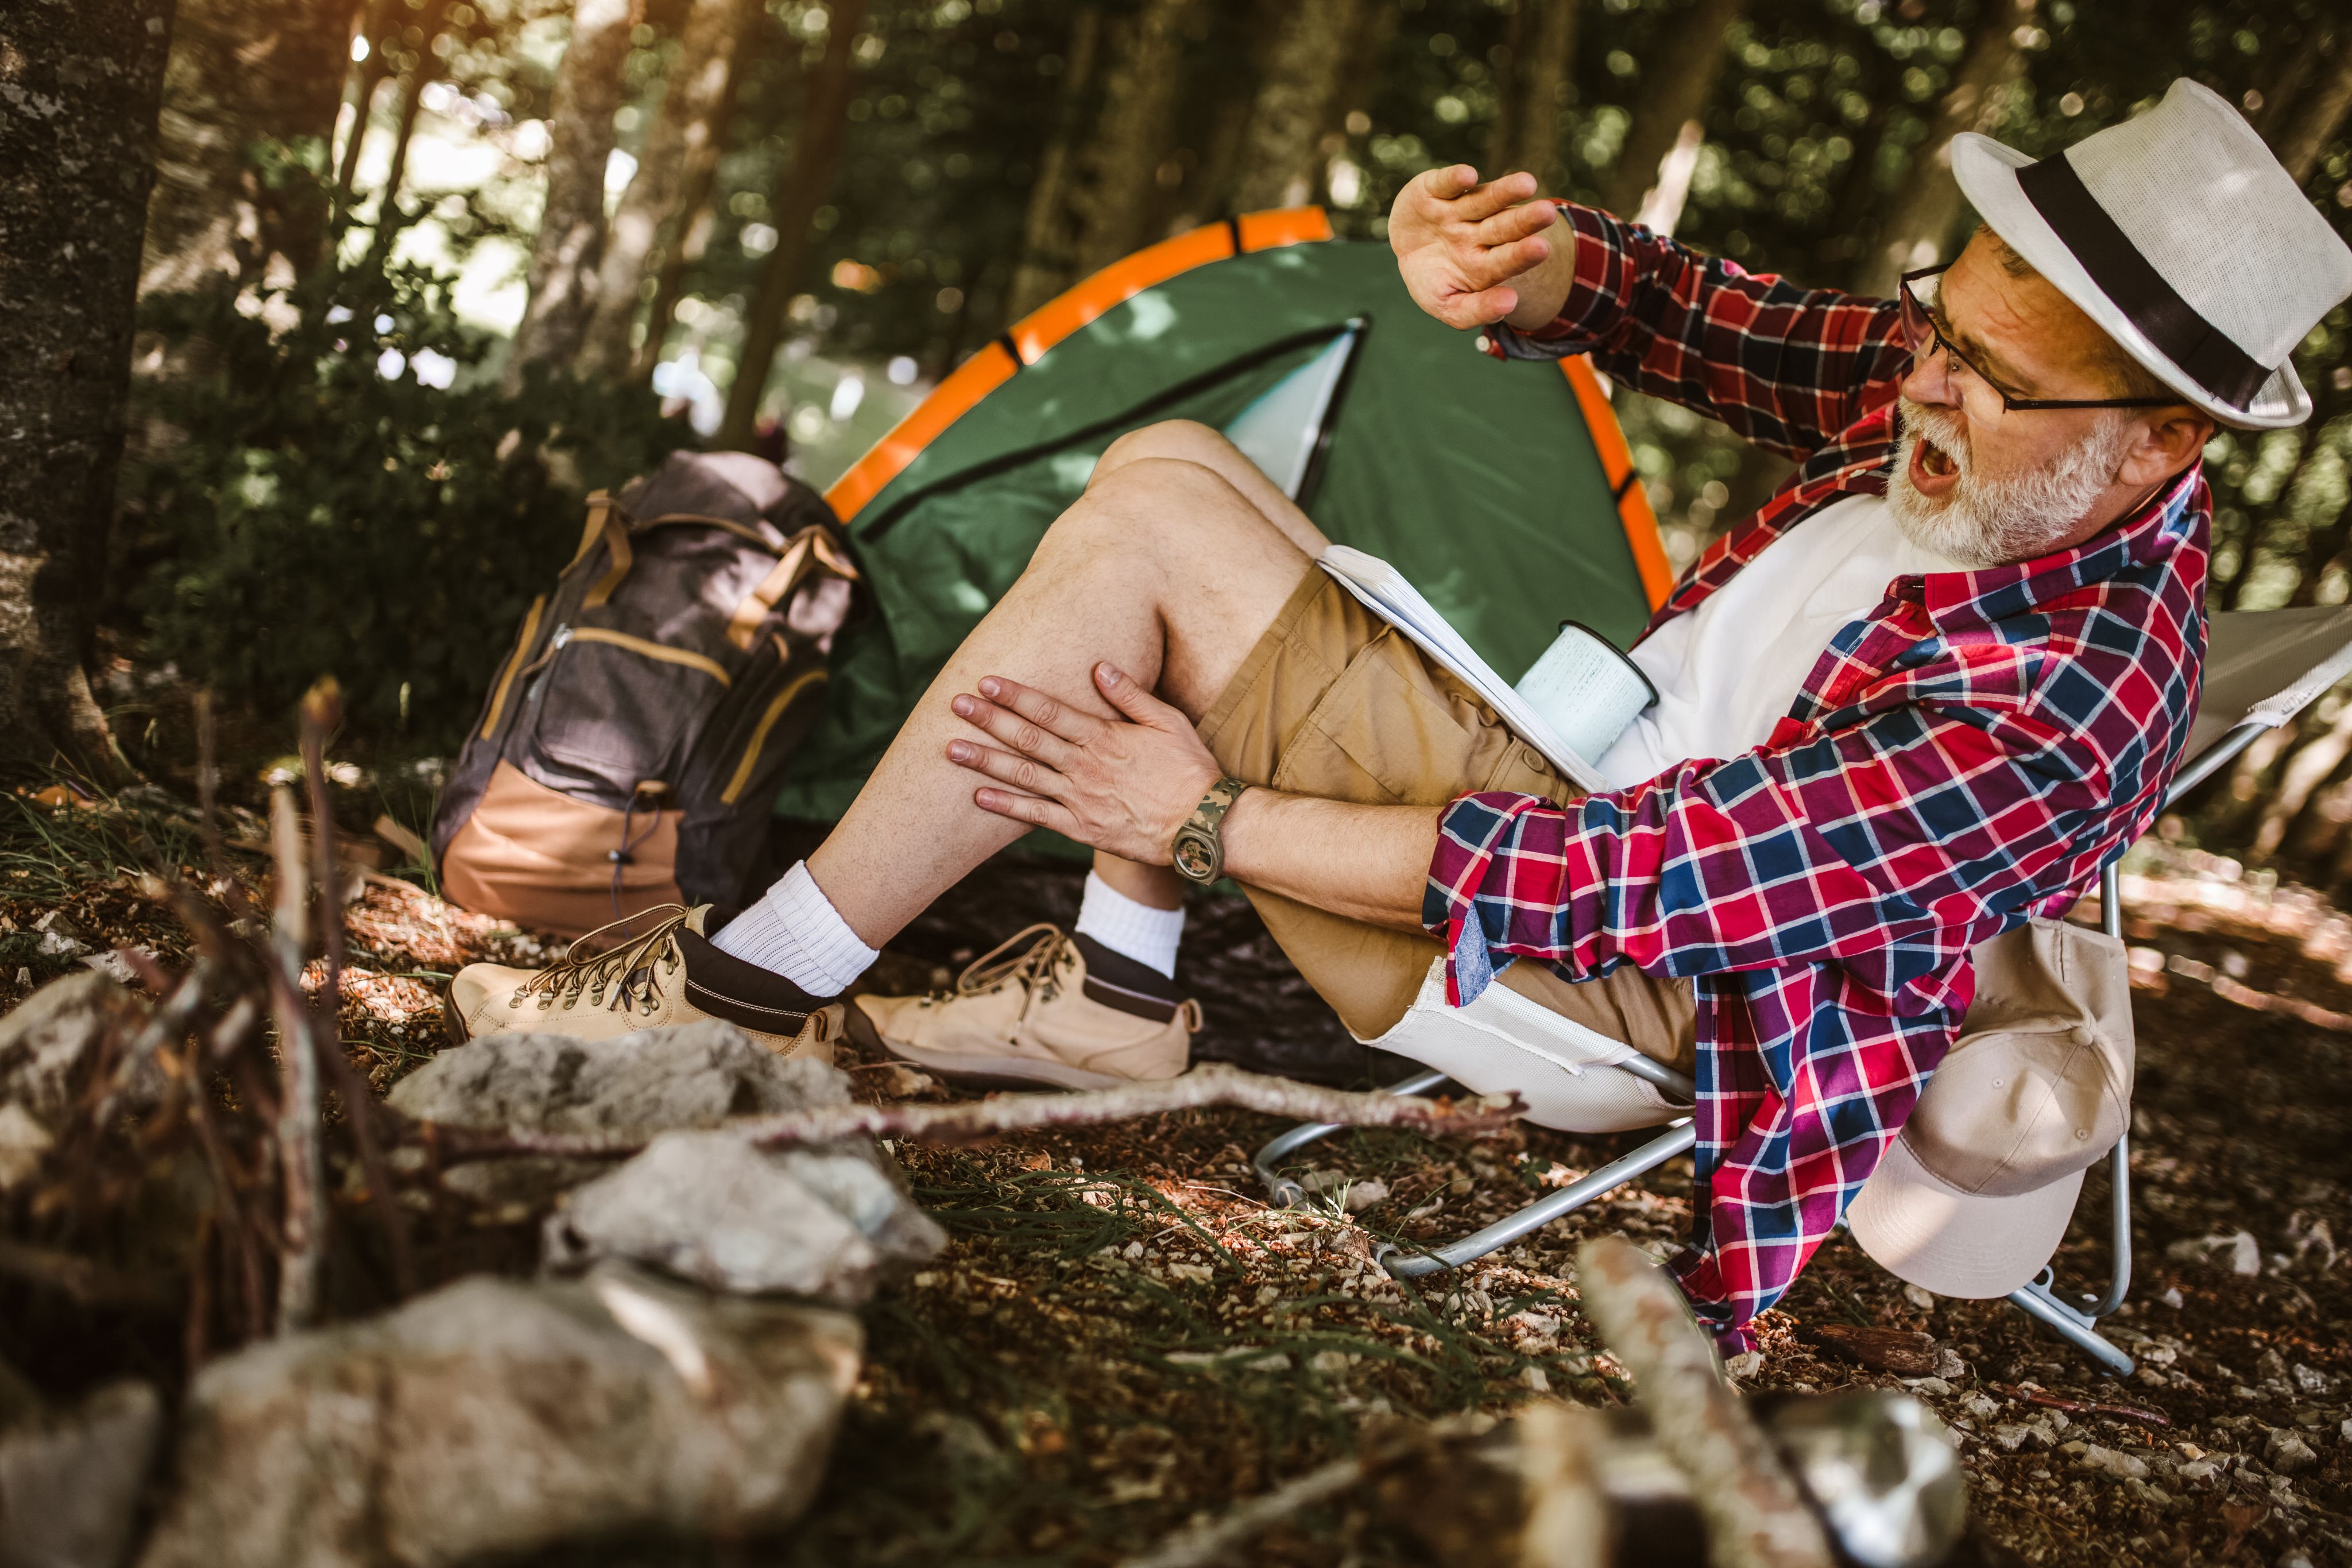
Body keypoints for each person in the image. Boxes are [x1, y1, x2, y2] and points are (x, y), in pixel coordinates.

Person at [448, 80, 2352, 1347]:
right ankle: (1110, 1002)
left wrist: (1199, 821)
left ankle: (746, 994)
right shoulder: (1988, 407)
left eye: (1984, 368)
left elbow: (1653, 877)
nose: (1924, 375)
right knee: (1176, 456)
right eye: (1943, 314)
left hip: (1630, 972)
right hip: (1576, 789)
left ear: (2163, 439)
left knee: (1165, 524)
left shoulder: (2072, 699)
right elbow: (1727, 319)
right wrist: (1544, 267)